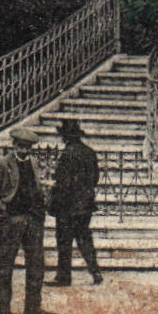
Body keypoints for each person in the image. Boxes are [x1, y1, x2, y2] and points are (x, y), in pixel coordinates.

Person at [0, 127, 56, 314]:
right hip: (11, 222)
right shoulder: (1, 165)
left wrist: (42, 207)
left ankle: (33, 307)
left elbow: (37, 190)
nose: (23, 151)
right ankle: (1, 310)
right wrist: (4, 212)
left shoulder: (34, 164)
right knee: (6, 266)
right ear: (13, 145)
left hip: (32, 221)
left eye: (27, 148)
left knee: (36, 265)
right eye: (20, 147)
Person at [47, 119, 102, 287]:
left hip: (67, 205)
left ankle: (64, 277)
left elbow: (63, 182)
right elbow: (95, 178)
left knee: (64, 241)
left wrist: (53, 190)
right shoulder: (89, 152)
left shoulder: (67, 154)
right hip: (85, 204)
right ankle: (95, 272)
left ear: (65, 137)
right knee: (84, 237)